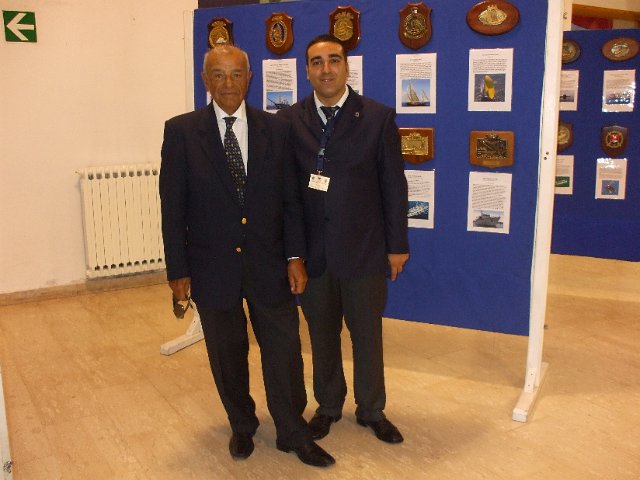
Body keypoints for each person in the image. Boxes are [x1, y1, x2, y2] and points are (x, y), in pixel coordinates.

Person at [159, 44, 334, 468]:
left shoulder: (276, 129)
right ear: (205, 80)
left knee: (284, 349)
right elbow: (172, 206)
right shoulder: (181, 132)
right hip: (210, 265)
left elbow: (291, 200)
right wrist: (177, 270)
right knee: (227, 352)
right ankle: (241, 424)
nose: (228, 83)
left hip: (269, 262)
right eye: (218, 75)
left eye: (236, 74)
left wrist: (295, 256)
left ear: (249, 78)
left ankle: (292, 430)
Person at [278, 35, 410, 444]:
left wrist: (397, 245)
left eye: (334, 60)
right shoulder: (289, 121)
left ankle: (371, 409)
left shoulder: (377, 117)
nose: (326, 69)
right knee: (321, 336)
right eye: (317, 62)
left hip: (364, 250)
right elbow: (287, 194)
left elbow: (394, 185)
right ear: (307, 71)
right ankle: (329, 406)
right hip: (313, 254)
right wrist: (292, 253)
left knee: (367, 335)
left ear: (347, 66)